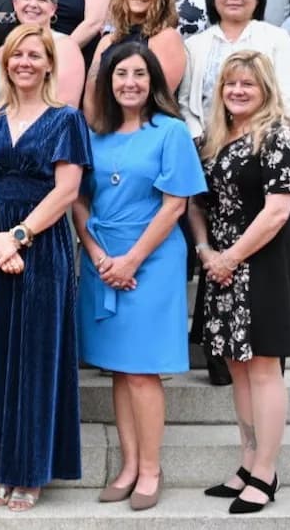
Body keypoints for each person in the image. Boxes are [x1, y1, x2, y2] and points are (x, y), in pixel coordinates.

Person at [0, 22, 90, 513]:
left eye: (35, 55)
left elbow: (67, 191)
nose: (25, 63)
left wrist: (19, 237)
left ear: (49, 64)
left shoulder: (66, 119)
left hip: (41, 245)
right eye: (17, 55)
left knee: (36, 358)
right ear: (4, 63)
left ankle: (31, 471)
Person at [72, 42, 205, 512]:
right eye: (121, 73)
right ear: (108, 81)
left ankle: (151, 468)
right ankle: (128, 466)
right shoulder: (94, 134)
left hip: (151, 261)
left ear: (154, 82)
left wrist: (130, 261)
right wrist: (96, 253)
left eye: (140, 74)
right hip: (102, 258)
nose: (130, 82)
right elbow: (77, 198)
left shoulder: (170, 132)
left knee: (144, 372)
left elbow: (175, 205)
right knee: (119, 369)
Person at [189, 50, 290, 514]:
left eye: (248, 84)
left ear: (265, 88)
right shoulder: (214, 139)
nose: (238, 91)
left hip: (262, 265)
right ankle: (247, 463)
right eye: (230, 84)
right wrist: (207, 252)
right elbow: (196, 204)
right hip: (221, 266)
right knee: (238, 368)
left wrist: (230, 257)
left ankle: (266, 471)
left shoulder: (278, 136)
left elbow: (277, 211)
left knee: (264, 370)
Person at [179, 0, 290, 140]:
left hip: (260, 148)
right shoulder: (193, 46)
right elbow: (185, 104)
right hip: (206, 150)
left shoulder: (277, 39)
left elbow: (287, 101)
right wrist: (200, 140)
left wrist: (249, 143)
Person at [84, 0, 185, 121]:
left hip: (146, 133)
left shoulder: (167, 38)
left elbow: (159, 99)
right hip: (103, 134)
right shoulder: (107, 41)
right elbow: (90, 96)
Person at [0, 0, 85, 108]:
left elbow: (66, 108)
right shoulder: (1, 52)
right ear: (15, 4)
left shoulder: (65, 48)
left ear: (53, 9)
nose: (33, 4)